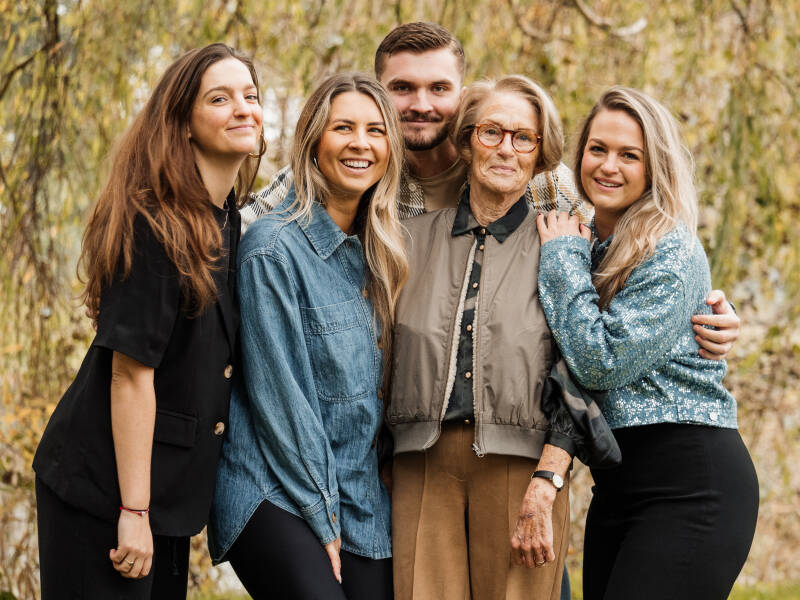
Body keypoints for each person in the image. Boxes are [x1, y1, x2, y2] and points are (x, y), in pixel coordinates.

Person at [244, 21, 741, 362]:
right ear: (379, 92)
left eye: (439, 88)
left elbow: (622, 251)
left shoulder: (534, 179)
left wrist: (705, 307)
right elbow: (243, 234)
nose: (421, 104)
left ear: (461, 97)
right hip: (382, 400)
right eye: (402, 88)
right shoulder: (348, 169)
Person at [33, 43, 264, 599]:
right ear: (183, 123)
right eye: (220, 98)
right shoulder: (156, 223)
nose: (243, 108)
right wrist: (134, 511)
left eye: (251, 96)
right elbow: (130, 375)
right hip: (105, 494)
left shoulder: (225, 218)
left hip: (164, 496)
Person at [536, 86, 759, 600]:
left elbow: (601, 361)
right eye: (597, 149)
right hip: (617, 485)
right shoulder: (586, 236)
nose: (608, 166)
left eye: (629, 155)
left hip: (691, 484)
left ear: (654, 166)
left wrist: (563, 257)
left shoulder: (669, 248)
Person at [389, 74, 594, 600]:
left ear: (540, 155)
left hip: (523, 469)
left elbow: (584, 367)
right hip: (419, 465)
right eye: (491, 132)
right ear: (465, 142)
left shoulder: (564, 244)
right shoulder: (406, 241)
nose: (506, 148)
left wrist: (548, 481)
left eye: (523, 138)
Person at [207, 73, 408, 600]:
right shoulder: (271, 250)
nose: (360, 143)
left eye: (375, 130)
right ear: (313, 142)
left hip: (357, 494)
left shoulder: (381, 257)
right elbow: (283, 403)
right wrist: (322, 516)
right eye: (343, 128)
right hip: (274, 488)